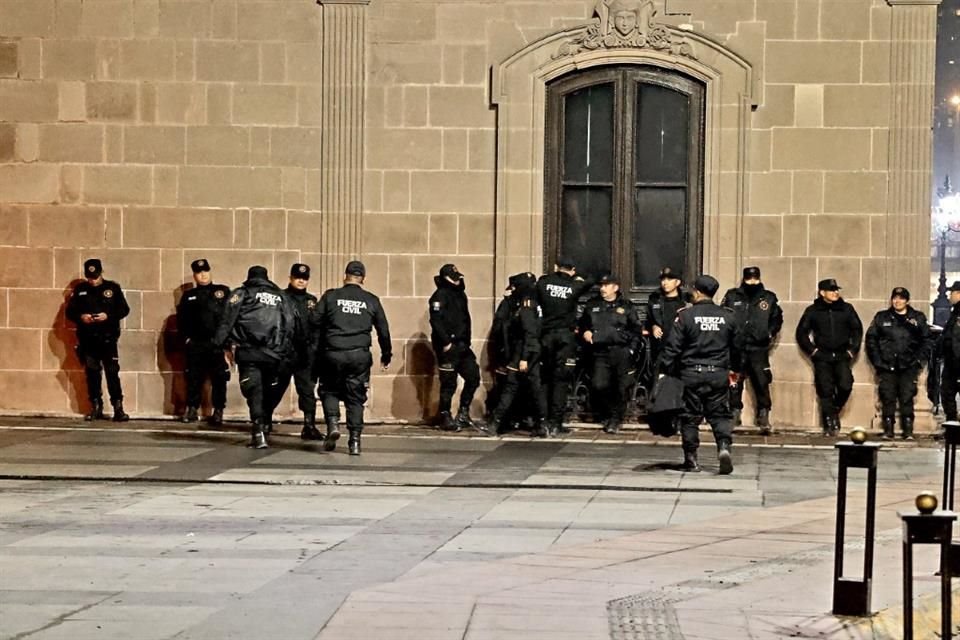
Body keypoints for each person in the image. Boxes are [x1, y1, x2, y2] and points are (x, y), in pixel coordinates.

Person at [658, 275, 740, 474]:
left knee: (689, 417)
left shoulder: (686, 315)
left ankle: (691, 459)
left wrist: (664, 371)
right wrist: (735, 370)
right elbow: (737, 347)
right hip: (718, 373)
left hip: (691, 373)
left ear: (697, 291)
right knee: (720, 415)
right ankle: (723, 447)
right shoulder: (728, 316)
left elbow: (673, 347)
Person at [213, 266, 299, 449]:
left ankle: (258, 429)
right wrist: (283, 349)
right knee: (268, 389)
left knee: (254, 391)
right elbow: (290, 323)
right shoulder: (281, 297)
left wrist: (221, 344)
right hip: (274, 353)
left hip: (248, 351)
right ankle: (264, 422)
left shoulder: (242, 293)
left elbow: (227, 319)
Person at [316, 261, 392, 455]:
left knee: (329, 390)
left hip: (333, 352)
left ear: (345, 276)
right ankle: (355, 441)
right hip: (359, 355)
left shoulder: (331, 296)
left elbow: (314, 321)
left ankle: (333, 424)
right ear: (363, 279)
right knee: (356, 397)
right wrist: (386, 354)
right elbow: (383, 329)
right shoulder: (371, 300)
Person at [796, 278, 863, 435]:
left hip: (841, 355)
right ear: (822, 293)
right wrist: (813, 351)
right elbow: (802, 333)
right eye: (832, 290)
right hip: (823, 356)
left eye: (836, 290)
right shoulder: (813, 310)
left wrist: (851, 351)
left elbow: (857, 330)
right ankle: (829, 423)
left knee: (845, 385)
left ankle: (834, 410)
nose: (836, 293)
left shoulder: (847, 309)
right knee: (825, 389)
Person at [66, 258, 131, 422]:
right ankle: (96, 406)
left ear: (101, 273)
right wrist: (82, 317)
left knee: (112, 373)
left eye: (95, 276)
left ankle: (118, 408)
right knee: (92, 374)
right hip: (88, 340)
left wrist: (107, 316)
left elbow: (124, 309)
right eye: (89, 277)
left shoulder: (112, 288)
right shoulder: (80, 290)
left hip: (108, 339)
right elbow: (70, 312)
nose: (92, 280)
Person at [720, 266, 783, 433]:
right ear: (744, 279)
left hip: (758, 347)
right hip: (736, 346)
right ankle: (734, 412)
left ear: (759, 278)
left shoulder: (768, 298)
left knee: (761, 381)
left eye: (755, 278)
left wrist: (769, 334)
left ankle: (763, 414)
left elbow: (776, 319)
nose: (752, 282)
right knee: (734, 381)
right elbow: (724, 315)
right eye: (749, 279)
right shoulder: (732, 296)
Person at [578, 274, 643, 434]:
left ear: (615, 287)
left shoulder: (626, 306)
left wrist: (631, 350)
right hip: (600, 351)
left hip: (620, 351)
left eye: (606, 285)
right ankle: (607, 413)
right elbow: (583, 324)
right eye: (601, 285)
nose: (602, 288)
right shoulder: (592, 305)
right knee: (599, 385)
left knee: (621, 387)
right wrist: (585, 331)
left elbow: (636, 330)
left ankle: (615, 418)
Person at [865, 287, 932, 440]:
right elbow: (871, 340)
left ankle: (908, 430)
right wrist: (878, 361)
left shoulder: (917, 318)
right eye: (895, 298)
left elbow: (927, 340)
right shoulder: (882, 317)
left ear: (907, 301)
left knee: (907, 396)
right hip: (887, 365)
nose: (897, 301)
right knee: (887, 396)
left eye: (901, 298)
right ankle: (888, 430)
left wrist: (918, 361)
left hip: (908, 365)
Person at [536, 257, 593, 435]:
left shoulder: (544, 283)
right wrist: (576, 277)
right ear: (573, 269)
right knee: (561, 381)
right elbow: (591, 280)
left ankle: (543, 421)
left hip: (545, 337)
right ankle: (556, 422)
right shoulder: (574, 286)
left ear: (556, 267)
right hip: (565, 338)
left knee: (545, 380)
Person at [487, 273, 549, 436]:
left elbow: (529, 333)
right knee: (534, 390)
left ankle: (496, 422)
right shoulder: (536, 303)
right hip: (531, 352)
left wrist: (524, 358)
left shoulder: (526, 306)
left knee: (511, 388)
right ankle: (542, 423)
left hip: (524, 352)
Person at [429, 263, 485, 433]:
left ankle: (463, 412)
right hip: (448, 347)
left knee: (473, 376)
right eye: (454, 277)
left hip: (462, 345)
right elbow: (436, 321)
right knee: (448, 383)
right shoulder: (439, 296)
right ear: (446, 278)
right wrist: (446, 343)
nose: (458, 280)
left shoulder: (461, 295)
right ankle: (445, 415)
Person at [176, 259, 231, 426]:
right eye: (199, 273)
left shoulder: (222, 291)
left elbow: (229, 318)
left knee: (219, 379)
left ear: (210, 272)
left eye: (205, 271)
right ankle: (192, 408)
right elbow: (182, 320)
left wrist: (227, 344)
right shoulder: (189, 296)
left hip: (217, 344)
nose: (203, 275)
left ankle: (218, 410)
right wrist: (187, 339)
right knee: (193, 377)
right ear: (195, 275)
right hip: (196, 344)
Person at [275, 263, 322, 441]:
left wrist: (315, 348)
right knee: (276, 389)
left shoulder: (311, 300)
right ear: (290, 278)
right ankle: (264, 422)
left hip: (305, 353)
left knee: (307, 391)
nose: (301, 281)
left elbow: (317, 326)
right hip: (285, 353)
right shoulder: (281, 297)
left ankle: (309, 425)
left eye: (304, 278)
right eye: (297, 277)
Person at [646, 266, 689, 367]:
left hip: (682, 350)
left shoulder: (686, 301)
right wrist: (653, 326)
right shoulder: (655, 299)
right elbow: (648, 320)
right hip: (661, 348)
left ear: (677, 282)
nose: (665, 283)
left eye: (669, 279)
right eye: (663, 279)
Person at [940, 282, 960, 421]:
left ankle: (953, 427)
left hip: (956, 363)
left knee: (948, 394)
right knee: (947, 394)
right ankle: (952, 427)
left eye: (951, 292)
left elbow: (954, 339)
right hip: (952, 362)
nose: (949, 296)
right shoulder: (955, 312)